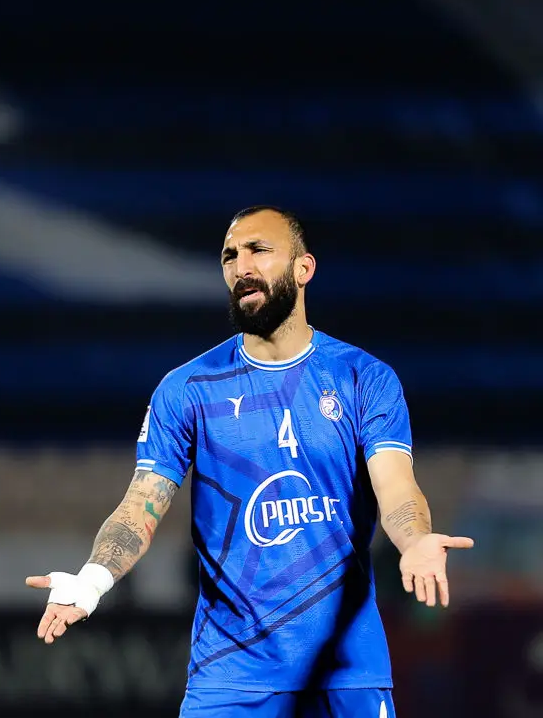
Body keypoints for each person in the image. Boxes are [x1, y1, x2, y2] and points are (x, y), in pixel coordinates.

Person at [25, 206, 474, 717]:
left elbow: (396, 488)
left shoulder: (363, 378)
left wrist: (414, 540)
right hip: (230, 678)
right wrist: (92, 580)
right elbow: (140, 505)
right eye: (229, 256)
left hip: (345, 672)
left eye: (259, 250)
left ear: (303, 268)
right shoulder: (187, 389)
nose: (242, 267)